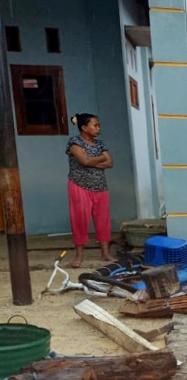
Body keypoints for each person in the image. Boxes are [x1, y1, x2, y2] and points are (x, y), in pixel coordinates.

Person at [66, 113, 114, 267]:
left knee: (103, 220)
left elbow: (110, 162)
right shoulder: (74, 142)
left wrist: (90, 161)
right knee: (79, 220)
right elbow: (83, 160)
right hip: (79, 185)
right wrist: (99, 159)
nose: (98, 128)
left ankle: (105, 253)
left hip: (100, 186)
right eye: (95, 125)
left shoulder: (100, 144)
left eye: (99, 125)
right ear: (84, 128)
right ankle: (79, 256)